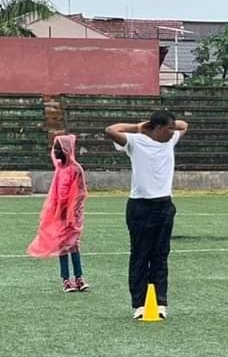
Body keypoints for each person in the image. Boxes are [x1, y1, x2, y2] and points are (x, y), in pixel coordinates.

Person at [105, 110, 189, 319]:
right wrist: (139, 127)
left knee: (160, 255)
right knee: (140, 255)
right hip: (140, 206)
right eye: (168, 128)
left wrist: (168, 123)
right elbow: (110, 130)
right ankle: (139, 304)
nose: (173, 131)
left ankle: (160, 302)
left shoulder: (170, 141)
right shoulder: (135, 142)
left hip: (164, 205)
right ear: (158, 128)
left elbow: (184, 124)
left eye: (172, 128)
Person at [27, 134, 89, 292]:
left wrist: (73, 212)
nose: (55, 151)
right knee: (62, 245)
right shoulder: (60, 167)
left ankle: (79, 278)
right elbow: (53, 157)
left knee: (73, 244)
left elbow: (81, 192)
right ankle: (66, 280)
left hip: (72, 215)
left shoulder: (76, 169)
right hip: (58, 213)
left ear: (67, 150)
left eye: (58, 148)